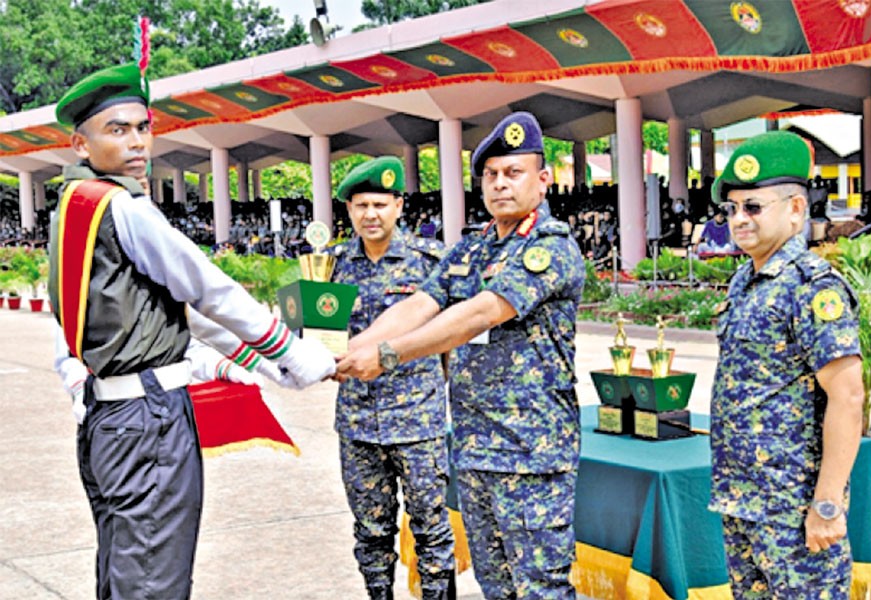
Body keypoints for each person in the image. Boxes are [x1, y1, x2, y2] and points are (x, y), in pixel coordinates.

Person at [48, 63, 335, 599]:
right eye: (117, 130)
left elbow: (173, 308)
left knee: (126, 574)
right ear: (80, 144)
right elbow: (207, 288)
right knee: (153, 580)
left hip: (109, 419)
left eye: (143, 127)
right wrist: (293, 353)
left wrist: (263, 362)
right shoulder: (121, 206)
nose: (137, 142)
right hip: (147, 419)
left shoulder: (73, 206)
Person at [336, 112, 585, 599]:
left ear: (543, 179)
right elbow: (420, 304)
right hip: (475, 447)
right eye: (490, 175)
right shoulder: (473, 248)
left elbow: (480, 313)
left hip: (530, 450)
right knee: (495, 585)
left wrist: (387, 356)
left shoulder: (549, 247)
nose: (500, 184)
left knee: (541, 588)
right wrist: (350, 354)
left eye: (513, 172)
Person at [709, 131, 865, 597]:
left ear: (796, 209)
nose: (739, 219)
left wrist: (827, 505)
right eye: (732, 208)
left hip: (794, 510)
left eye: (753, 207)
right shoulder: (745, 281)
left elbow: (847, 396)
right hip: (743, 502)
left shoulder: (812, 287)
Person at [327, 156, 456, 600]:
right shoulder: (332, 266)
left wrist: (439, 395)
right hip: (358, 423)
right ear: (349, 210)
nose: (371, 214)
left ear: (399, 206)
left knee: (432, 530)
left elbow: (450, 339)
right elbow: (323, 334)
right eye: (361, 205)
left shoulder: (429, 261)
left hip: (418, 422)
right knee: (371, 531)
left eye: (380, 204)